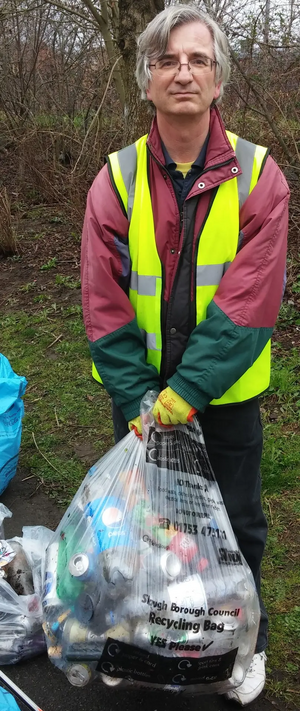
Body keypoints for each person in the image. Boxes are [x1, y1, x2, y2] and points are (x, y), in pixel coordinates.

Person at [81, 3, 289, 705]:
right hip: (140, 401)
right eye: (167, 60)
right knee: (138, 525)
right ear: (146, 79)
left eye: (198, 59)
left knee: (236, 521)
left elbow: (248, 303)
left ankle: (242, 645)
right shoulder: (114, 179)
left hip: (225, 397)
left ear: (219, 79)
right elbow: (103, 304)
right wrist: (144, 396)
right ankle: (137, 636)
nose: (183, 72)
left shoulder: (260, 176)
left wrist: (188, 390)